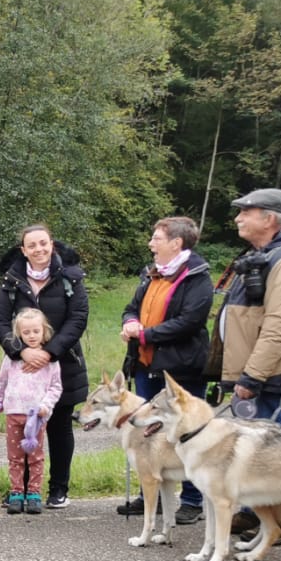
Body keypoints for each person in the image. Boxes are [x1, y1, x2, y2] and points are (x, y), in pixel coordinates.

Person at [220, 187, 281, 544]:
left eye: (246, 212)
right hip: (258, 369)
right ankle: (257, 511)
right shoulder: (266, 254)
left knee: (279, 447)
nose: (238, 218)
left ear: (270, 218)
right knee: (257, 445)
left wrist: (252, 376)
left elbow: (280, 326)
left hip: (270, 371)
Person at [119, 216, 214, 524]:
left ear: (176, 243)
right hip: (146, 364)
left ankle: (193, 500)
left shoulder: (197, 277)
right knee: (148, 431)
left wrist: (145, 335)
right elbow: (131, 308)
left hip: (182, 368)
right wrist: (130, 323)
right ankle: (154, 495)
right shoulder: (153, 273)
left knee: (187, 432)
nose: (151, 244)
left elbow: (190, 321)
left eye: (156, 239)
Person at [0, 224, 89, 510]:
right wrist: (21, 351)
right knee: (24, 433)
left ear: (51, 244)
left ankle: (58, 489)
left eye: (43, 243)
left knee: (59, 427)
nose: (38, 249)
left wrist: (49, 352)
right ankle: (21, 490)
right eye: (32, 245)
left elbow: (78, 317)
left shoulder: (71, 277)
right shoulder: (11, 280)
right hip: (22, 370)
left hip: (62, 364)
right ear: (23, 250)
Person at [0, 309, 64, 514]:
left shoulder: (50, 361)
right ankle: (16, 493)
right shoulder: (11, 359)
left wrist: (46, 405)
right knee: (15, 457)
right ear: (19, 334)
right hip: (13, 413)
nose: (31, 336)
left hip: (36, 417)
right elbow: (1, 383)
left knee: (35, 457)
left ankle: (34, 493)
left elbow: (56, 387)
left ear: (44, 331)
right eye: (26, 332)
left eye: (36, 331)